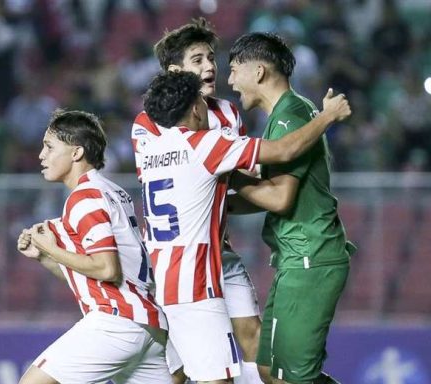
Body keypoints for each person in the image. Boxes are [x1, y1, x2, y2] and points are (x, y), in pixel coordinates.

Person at [140, 70, 350, 384]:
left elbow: (211, 200)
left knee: (185, 375)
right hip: (198, 286)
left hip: (164, 283)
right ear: (196, 108)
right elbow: (283, 151)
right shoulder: (204, 145)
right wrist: (328, 117)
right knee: (218, 380)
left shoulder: (151, 152)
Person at [131, 17, 262, 384]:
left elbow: (234, 180)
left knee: (253, 335)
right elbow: (180, 179)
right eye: (197, 60)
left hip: (221, 249)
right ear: (176, 71)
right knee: (185, 365)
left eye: (210, 58)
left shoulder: (229, 113)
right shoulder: (148, 122)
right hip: (178, 259)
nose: (208, 67)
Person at [226, 32, 357, 384]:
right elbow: (276, 193)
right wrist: (224, 206)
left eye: (234, 69)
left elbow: (279, 198)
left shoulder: (290, 118)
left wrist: (226, 175)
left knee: (293, 378)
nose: (230, 80)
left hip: (310, 258)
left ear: (258, 71)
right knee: (270, 371)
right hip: (296, 258)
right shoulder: (288, 114)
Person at [16, 110, 172, 384]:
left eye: (50, 146)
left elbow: (106, 269)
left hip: (116, 324)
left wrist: (51, 247)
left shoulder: (85, 197)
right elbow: (92, 276)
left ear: (76, 153)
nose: (41, 155)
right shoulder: (111, 191)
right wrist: (45, 256)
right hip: (148, 327)